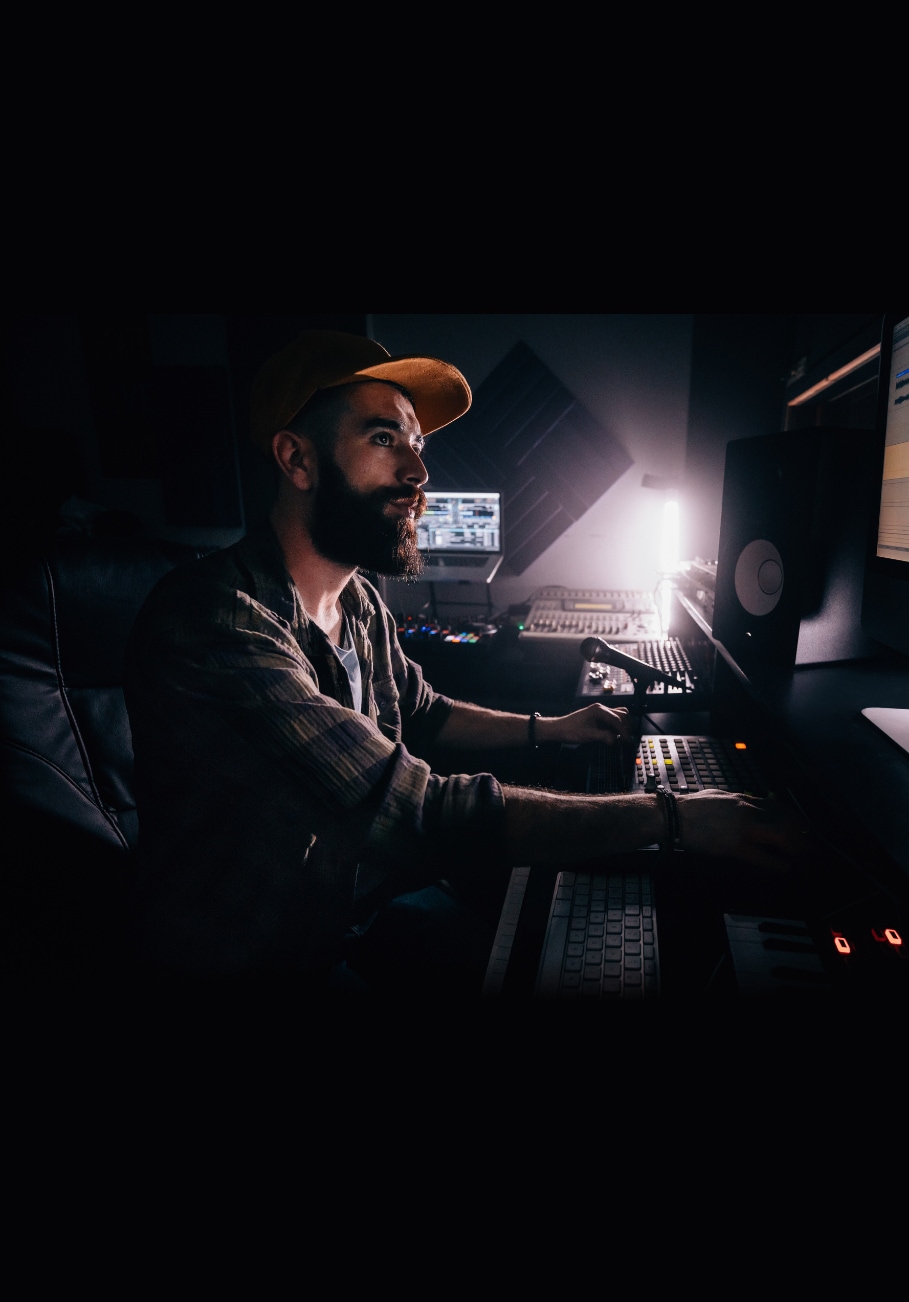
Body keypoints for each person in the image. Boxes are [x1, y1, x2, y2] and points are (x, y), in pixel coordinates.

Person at [123, 329, 801, 996]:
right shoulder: (215, 624)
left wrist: (553, 727)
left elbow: (425, 713)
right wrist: (675, 816)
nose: (419, 474)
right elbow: (419, 814)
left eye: (417, 445)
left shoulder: (355, 597)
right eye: (383, 439)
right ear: (296, 460)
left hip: (360, 903)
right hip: (263, 958)